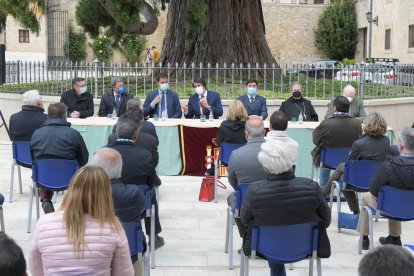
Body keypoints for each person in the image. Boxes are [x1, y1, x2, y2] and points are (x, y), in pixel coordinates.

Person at [241, 139, 331, 276]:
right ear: (291, 162)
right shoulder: (311, 187)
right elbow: (326, 220)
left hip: (266, 247)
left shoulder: (255, 191)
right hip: (305, 246)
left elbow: (245, 220)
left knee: (273, 232)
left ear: (265, 166)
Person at [28, 166, 134, 276]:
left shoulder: (43, 224)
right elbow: (124, 272)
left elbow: (35, 268)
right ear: (105, 194)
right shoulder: (113, 228)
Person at [107, 115, 164, 249]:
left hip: (107, 202)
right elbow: (151, 182)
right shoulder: (145, 155)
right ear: (136, 135)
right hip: (139, 203)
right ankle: (153, 236)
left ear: (116, 133)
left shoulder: (103, 153)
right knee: (151, 194)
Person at [91, 148, 146, 276]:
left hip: (93, 253)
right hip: (131, 250)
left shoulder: (85, 194)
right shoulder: (133, 193)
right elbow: (141, 212)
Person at [321, 112, 390, 213]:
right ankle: (324, 194)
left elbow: (350, 164)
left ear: (367, 125)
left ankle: (325, 195)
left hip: (357, 182)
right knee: (342, 174)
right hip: (376, 181)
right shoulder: (386, 141)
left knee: (343, 175)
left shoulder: (359, 144)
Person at [358, 127, 414, 250]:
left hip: (391, 207)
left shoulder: (389, 165)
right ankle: (394, 238)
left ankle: (364, 239)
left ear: (401, 144)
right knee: (395, 196)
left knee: (366, 197)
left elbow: (373, 189)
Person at [30, 102, 89, 214]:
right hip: (70, 179)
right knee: (80, 173)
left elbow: (33, 159)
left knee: (43, 167)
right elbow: (84, 158)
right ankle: (73, 205)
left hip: (43, 179)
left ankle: (46, 199)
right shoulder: (74, 134)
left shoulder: (36, 133)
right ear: (65, 116)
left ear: (48, 116)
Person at [227, 116, 267, 237]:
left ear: (246, 134)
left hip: (246, 202)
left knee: (234, 198)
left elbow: (233, 181)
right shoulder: (277, 152)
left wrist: (242, 190)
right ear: (264, 132)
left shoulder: (236, 154)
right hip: (273, 201)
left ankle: (246, 236)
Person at [312, 96, 362, 189]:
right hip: (349, 160)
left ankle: (323, 186)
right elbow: (359, 141)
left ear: (334, 108)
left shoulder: (326, 123)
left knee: (323, 151)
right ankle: (345, 186)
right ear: (348, 108)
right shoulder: (357, 124)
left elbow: (315, 140)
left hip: (327, 161)